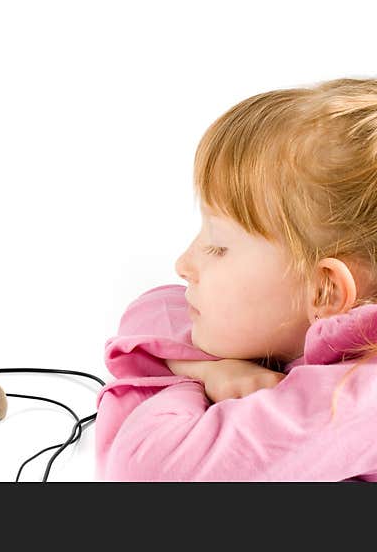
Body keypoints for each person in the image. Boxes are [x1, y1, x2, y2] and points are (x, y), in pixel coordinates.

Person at [95, 77, 377, 481]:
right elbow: (155, 304)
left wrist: (183, 378)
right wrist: (214, 369)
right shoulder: (311, 322)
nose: (183, 263)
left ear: (325, 289)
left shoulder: (355, 398)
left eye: (218, 247)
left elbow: (146, 469)